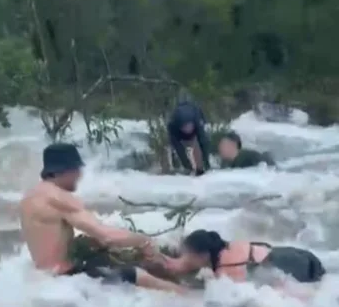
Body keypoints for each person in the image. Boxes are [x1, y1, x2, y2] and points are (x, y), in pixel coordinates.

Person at [19, 143, 186, 293]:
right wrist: (144, 241)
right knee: (139, 276)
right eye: (77, 170)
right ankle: (193, 300)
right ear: (65, 170)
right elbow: (107, 237)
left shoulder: (31, 196)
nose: (80, 175)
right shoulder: (59, 197)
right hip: (66, 278)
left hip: (45, 277)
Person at [158, 229, 325, 283]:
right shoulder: (225, 249)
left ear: (203, 256)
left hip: (294, 265)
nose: (185, 259)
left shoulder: (226, 270)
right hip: (295, 254)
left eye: (188, 255)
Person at [167, 101, 211, 176]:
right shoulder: (173, 126)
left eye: (189, 127)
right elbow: (179, 149)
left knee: (198, 145)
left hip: (196, 120)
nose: (188, 129)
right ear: (181, 127)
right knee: (175, 147)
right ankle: (175, 166)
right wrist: (188, 167)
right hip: (178, 131)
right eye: (186, 127)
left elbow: (203, 144)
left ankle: (200, 168)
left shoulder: (197, 122)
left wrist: (206, 164)